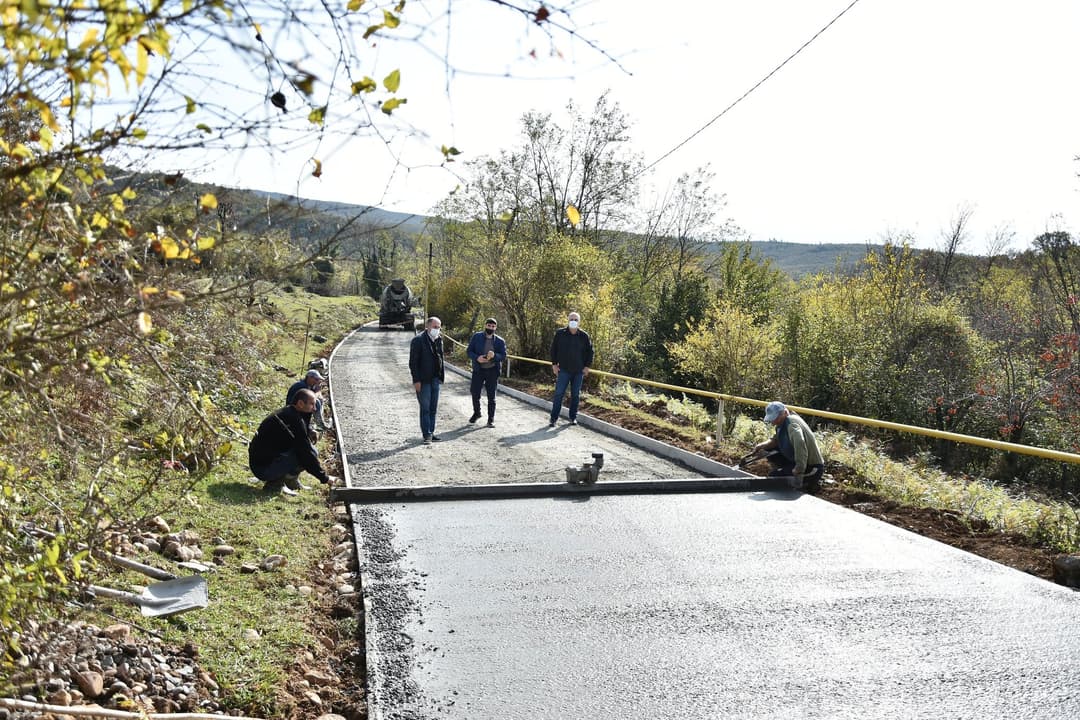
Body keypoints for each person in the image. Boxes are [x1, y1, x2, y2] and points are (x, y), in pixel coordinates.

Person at [248, 388, 332, 495]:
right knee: (307, 453)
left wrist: (309, 430)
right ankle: (275, 484)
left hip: (262, 461)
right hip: (263, 468)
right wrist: (325, 478)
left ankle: (290, 481)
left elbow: (300, 433)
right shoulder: (293, 419)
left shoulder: (289, 412)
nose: (314, 408)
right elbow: (305, 453)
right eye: (312, 404)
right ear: (301, 403)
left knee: (309, 450)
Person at [752, 401, 825, 491]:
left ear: (785, 413)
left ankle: (808, 485)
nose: (773, 422)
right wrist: (762, 446)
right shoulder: (783, 423)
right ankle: (786, 470)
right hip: (798, 462)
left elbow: (800, 444)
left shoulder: (792, 425)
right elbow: (776, 440)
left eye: (775, 418)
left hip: (812, 468)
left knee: (774, 478)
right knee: (770, 451)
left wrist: (799, 468)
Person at [548, 311, 594, 427]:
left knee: (575, 395)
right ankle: (553, 419)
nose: (573, 321)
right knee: (559, 394)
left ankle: (573, 417)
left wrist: (587, 366)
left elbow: (590, 352)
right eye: (571, 319)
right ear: (568, 321)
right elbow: (554, 349)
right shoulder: (560, 333)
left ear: (579, 322)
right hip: (563, 370)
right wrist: (554, 364)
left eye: (576, 320)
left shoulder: (584, 336)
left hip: (578, 371)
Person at [409, 316, 445, 444]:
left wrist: (441, 376)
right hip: (423, 381)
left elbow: (441, 358)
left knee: (433, 408)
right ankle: (426, 435)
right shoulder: (418, 340)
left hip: (435, 379)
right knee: (425, 408)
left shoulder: (439, 340)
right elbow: (413, 363)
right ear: (428, 326)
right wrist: (416, 380)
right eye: (435, 327)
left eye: (439, 327)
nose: (437, 329)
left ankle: (431, 431)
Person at [466, 317, 507, 428]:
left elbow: (503, 355)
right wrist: (477, 357)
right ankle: (477, 413)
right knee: (475, 393)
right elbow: (469, 351)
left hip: (492, 371)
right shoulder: (476, 337)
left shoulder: (500, 341)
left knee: (491, 397)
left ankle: (491, 419)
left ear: (496, 328)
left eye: (493, 326)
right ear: (485, 326)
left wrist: (495, 356)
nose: (491, 328)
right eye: (489, 326)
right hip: (478, 370)